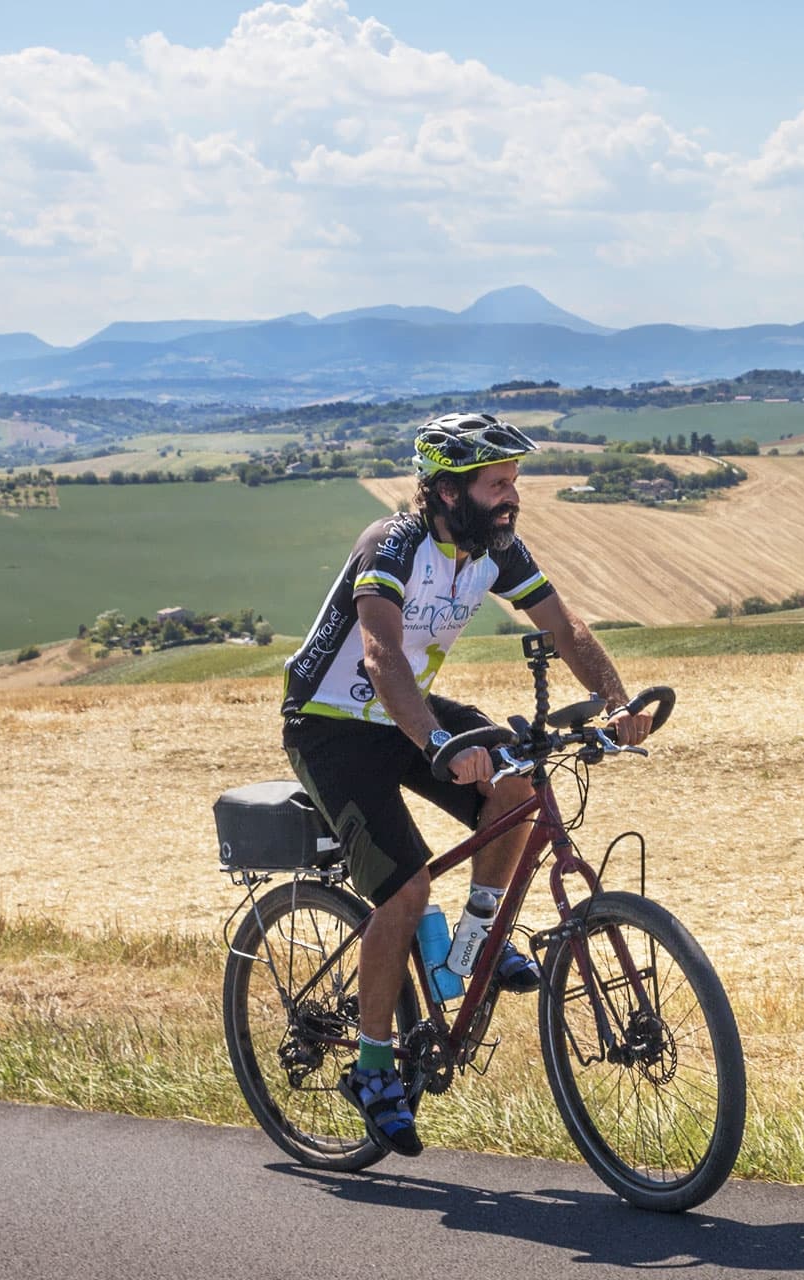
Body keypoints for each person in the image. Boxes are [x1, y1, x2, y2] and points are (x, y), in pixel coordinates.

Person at [280, 412, 653, 1156]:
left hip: (406, 713)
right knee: (406, 890)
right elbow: (382, 658)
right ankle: (375, 1066)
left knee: (519, 775)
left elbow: (564, 625)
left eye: (515, 482)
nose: (512, 496)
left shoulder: (497, 548)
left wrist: (616, 699)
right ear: (448, 492)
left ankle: (475, 943)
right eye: (497, 483)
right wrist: (438, 743)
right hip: (331, 723)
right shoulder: (391, 546)